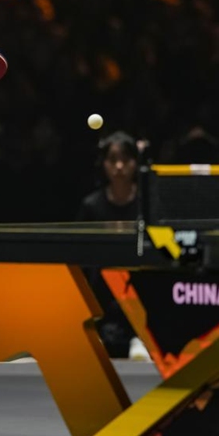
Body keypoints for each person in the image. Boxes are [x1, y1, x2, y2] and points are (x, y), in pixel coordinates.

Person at [76, 130, 151, 361]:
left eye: (126, 160)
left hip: (139, 287)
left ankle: (141, 337)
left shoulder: (147, 204)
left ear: (135, 164)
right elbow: (82, 255)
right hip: (102, 290)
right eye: (112, 160)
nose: (119, 166)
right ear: (104, 164)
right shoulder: (91, 205)